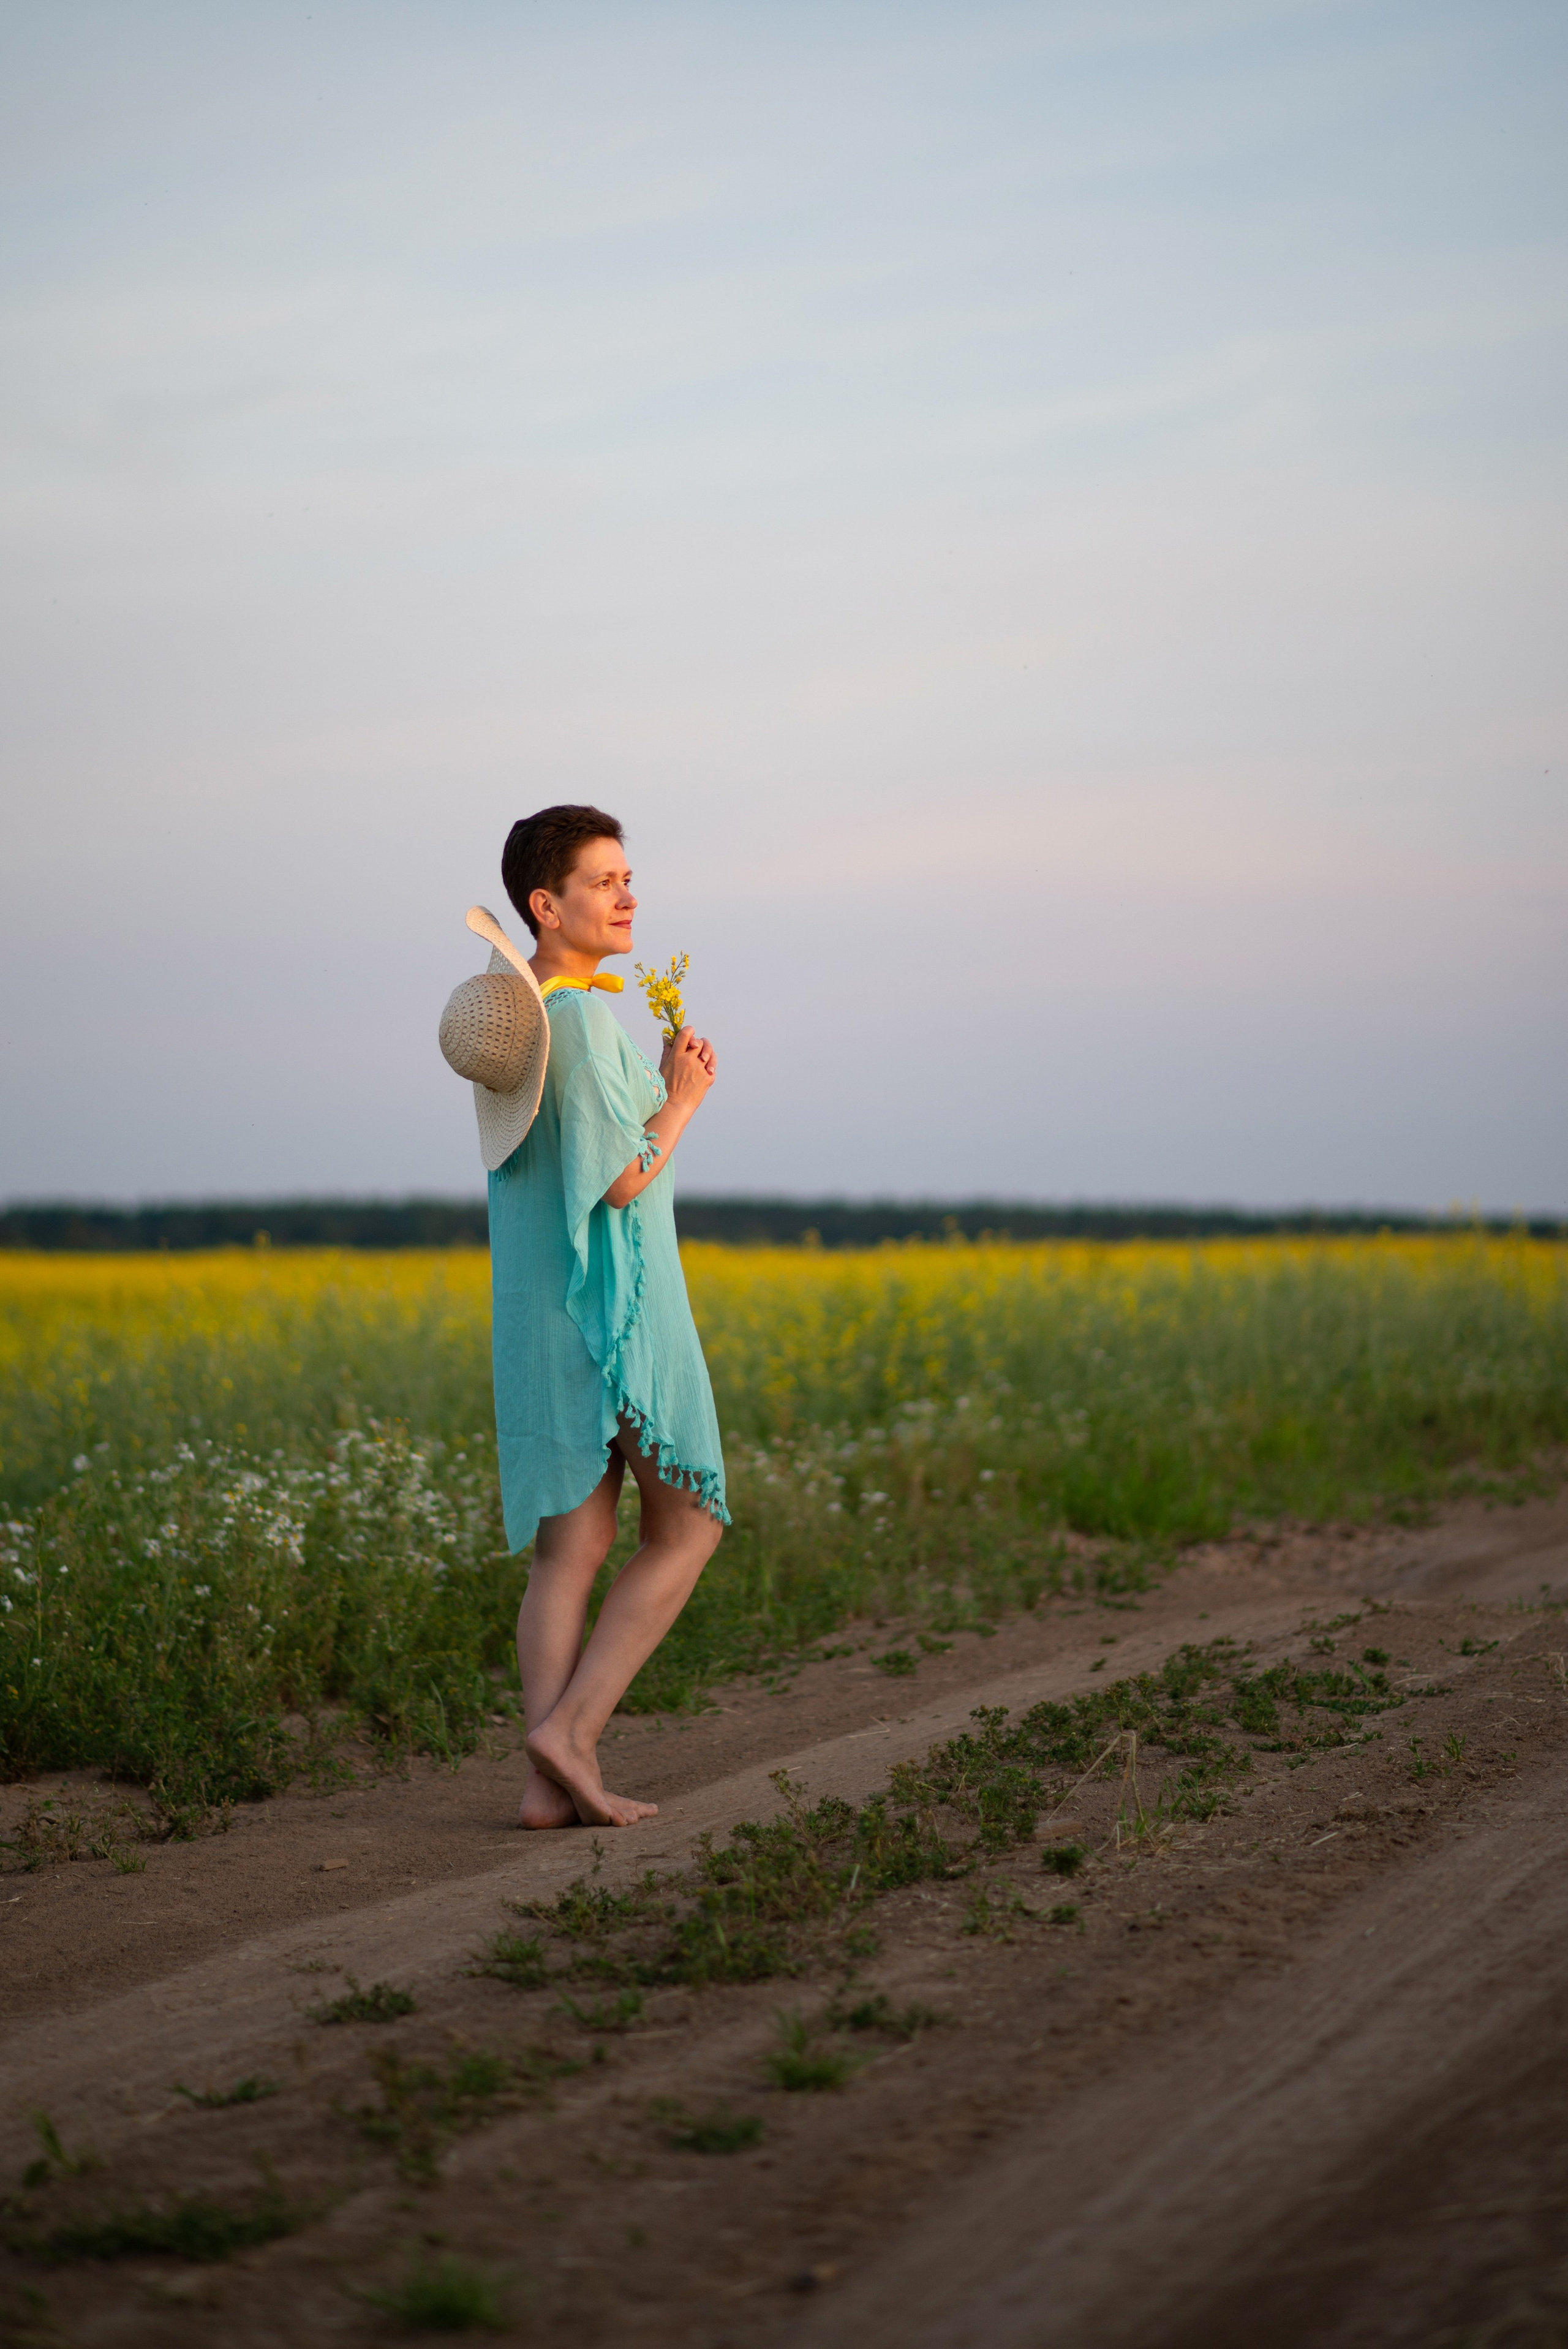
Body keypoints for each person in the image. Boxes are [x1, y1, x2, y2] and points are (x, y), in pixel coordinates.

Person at [487, 805, 727, 1829]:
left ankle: (549, 1791)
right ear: (547, 905)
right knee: (689, 1525)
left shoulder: (536, 1024)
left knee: (571, 1551)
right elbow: (624, 1183)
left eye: (629, 878)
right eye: (604, 881)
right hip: (615, 1312)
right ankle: (571, 1735)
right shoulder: (580, 1024)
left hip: (542, 1311)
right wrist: (678, 1099)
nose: (628, 897)